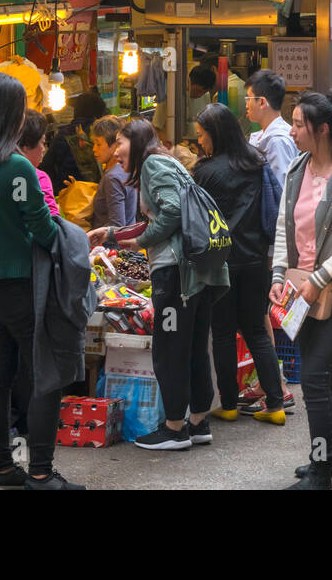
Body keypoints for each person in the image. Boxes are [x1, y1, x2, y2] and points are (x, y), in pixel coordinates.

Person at [0, 73, 80, 490]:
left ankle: (1, 468)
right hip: (22, 288)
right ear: (10, 113)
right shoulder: (16, 167)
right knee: (45, 375)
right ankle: (41, 471)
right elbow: (42, 229)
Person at [89, 119, 229, 454]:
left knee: (169, 350)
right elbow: (160, 216)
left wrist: (140, 242)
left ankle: (173, 428)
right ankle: (197, 422)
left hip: (174, 274)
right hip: (194, 273)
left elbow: (171, 214)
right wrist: (112, 235)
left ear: (134, 141)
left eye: (119, 142)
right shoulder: (165, 164)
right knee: (194, 346)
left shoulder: (153, 164)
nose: (115, 151)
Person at [268, 93, 332, 489]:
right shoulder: (297, 168)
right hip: (301, 288)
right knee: (321, 376)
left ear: (322, 129)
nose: (292, 131)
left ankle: (320, 470)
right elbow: (283, 227)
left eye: (298, 124)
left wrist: (318, 279)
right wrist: (279, 276)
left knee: (312, 376)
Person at [191, 104, 286, 427]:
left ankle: (229, 403)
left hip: (223, 262)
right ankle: (275, 403)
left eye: (202, 135)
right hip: (257, 258)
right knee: (257, 330)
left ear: (214, 135)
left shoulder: (206, 172)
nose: (200, 141)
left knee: (223, 333)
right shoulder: (256, 162)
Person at [41, 91, 107, 188]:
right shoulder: (103, 134)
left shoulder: (63, 134)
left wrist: (57, 186)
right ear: (99, 113)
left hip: (68, 190)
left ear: (76, 111)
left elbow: (46, 165)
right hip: (95, 190)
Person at [246, 70, 298, 185]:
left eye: (249, 99)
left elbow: (280, 188)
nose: (246, 105)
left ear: (262, 102)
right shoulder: (268, 135)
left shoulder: (277, 141)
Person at [88, 115, 137, 230]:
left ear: (115, 145)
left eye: (98, 144)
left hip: (110, 246)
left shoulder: (113, 177)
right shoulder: (125, 169)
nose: (94, 149)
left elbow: (117, 225)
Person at [17, 110, 60, 217]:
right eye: (42, 142)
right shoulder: (38, 177)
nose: (43, 149)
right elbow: (52, 218)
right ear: (26, 145)